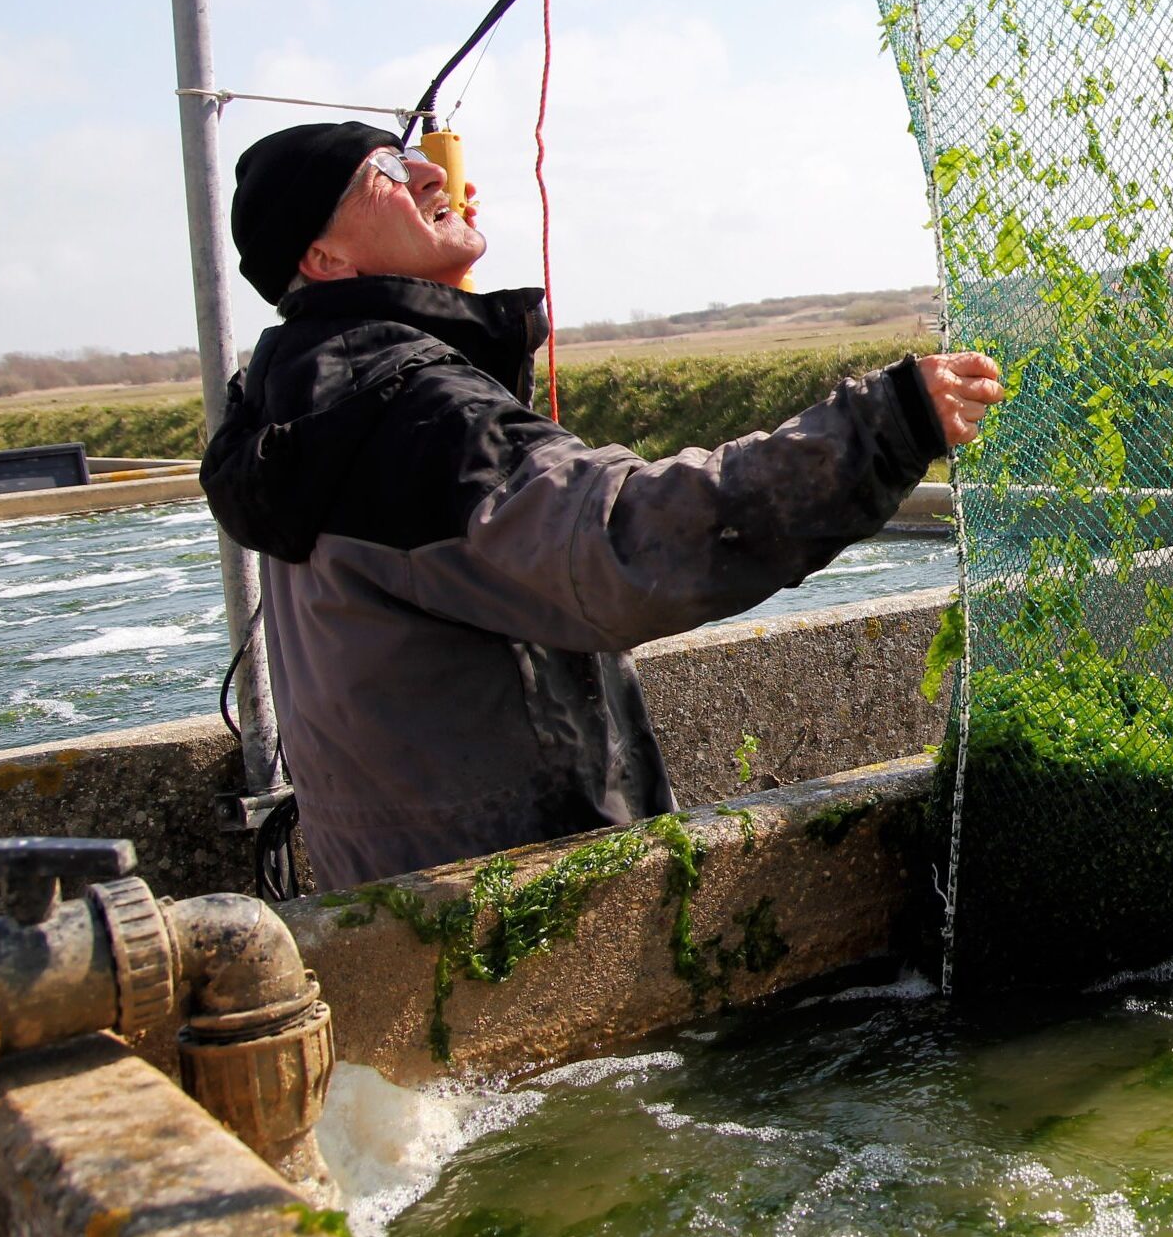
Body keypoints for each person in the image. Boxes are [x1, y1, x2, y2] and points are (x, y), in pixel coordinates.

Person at [201, 122, 1004, 888]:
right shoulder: (413, 414)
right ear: (325, 256)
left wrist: (435, 251)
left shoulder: (295, 397)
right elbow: (623, 544)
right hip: (514, 908)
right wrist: (883, 427)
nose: (429, 171)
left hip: (404, 893)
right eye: (386, 172)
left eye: (416, 154)